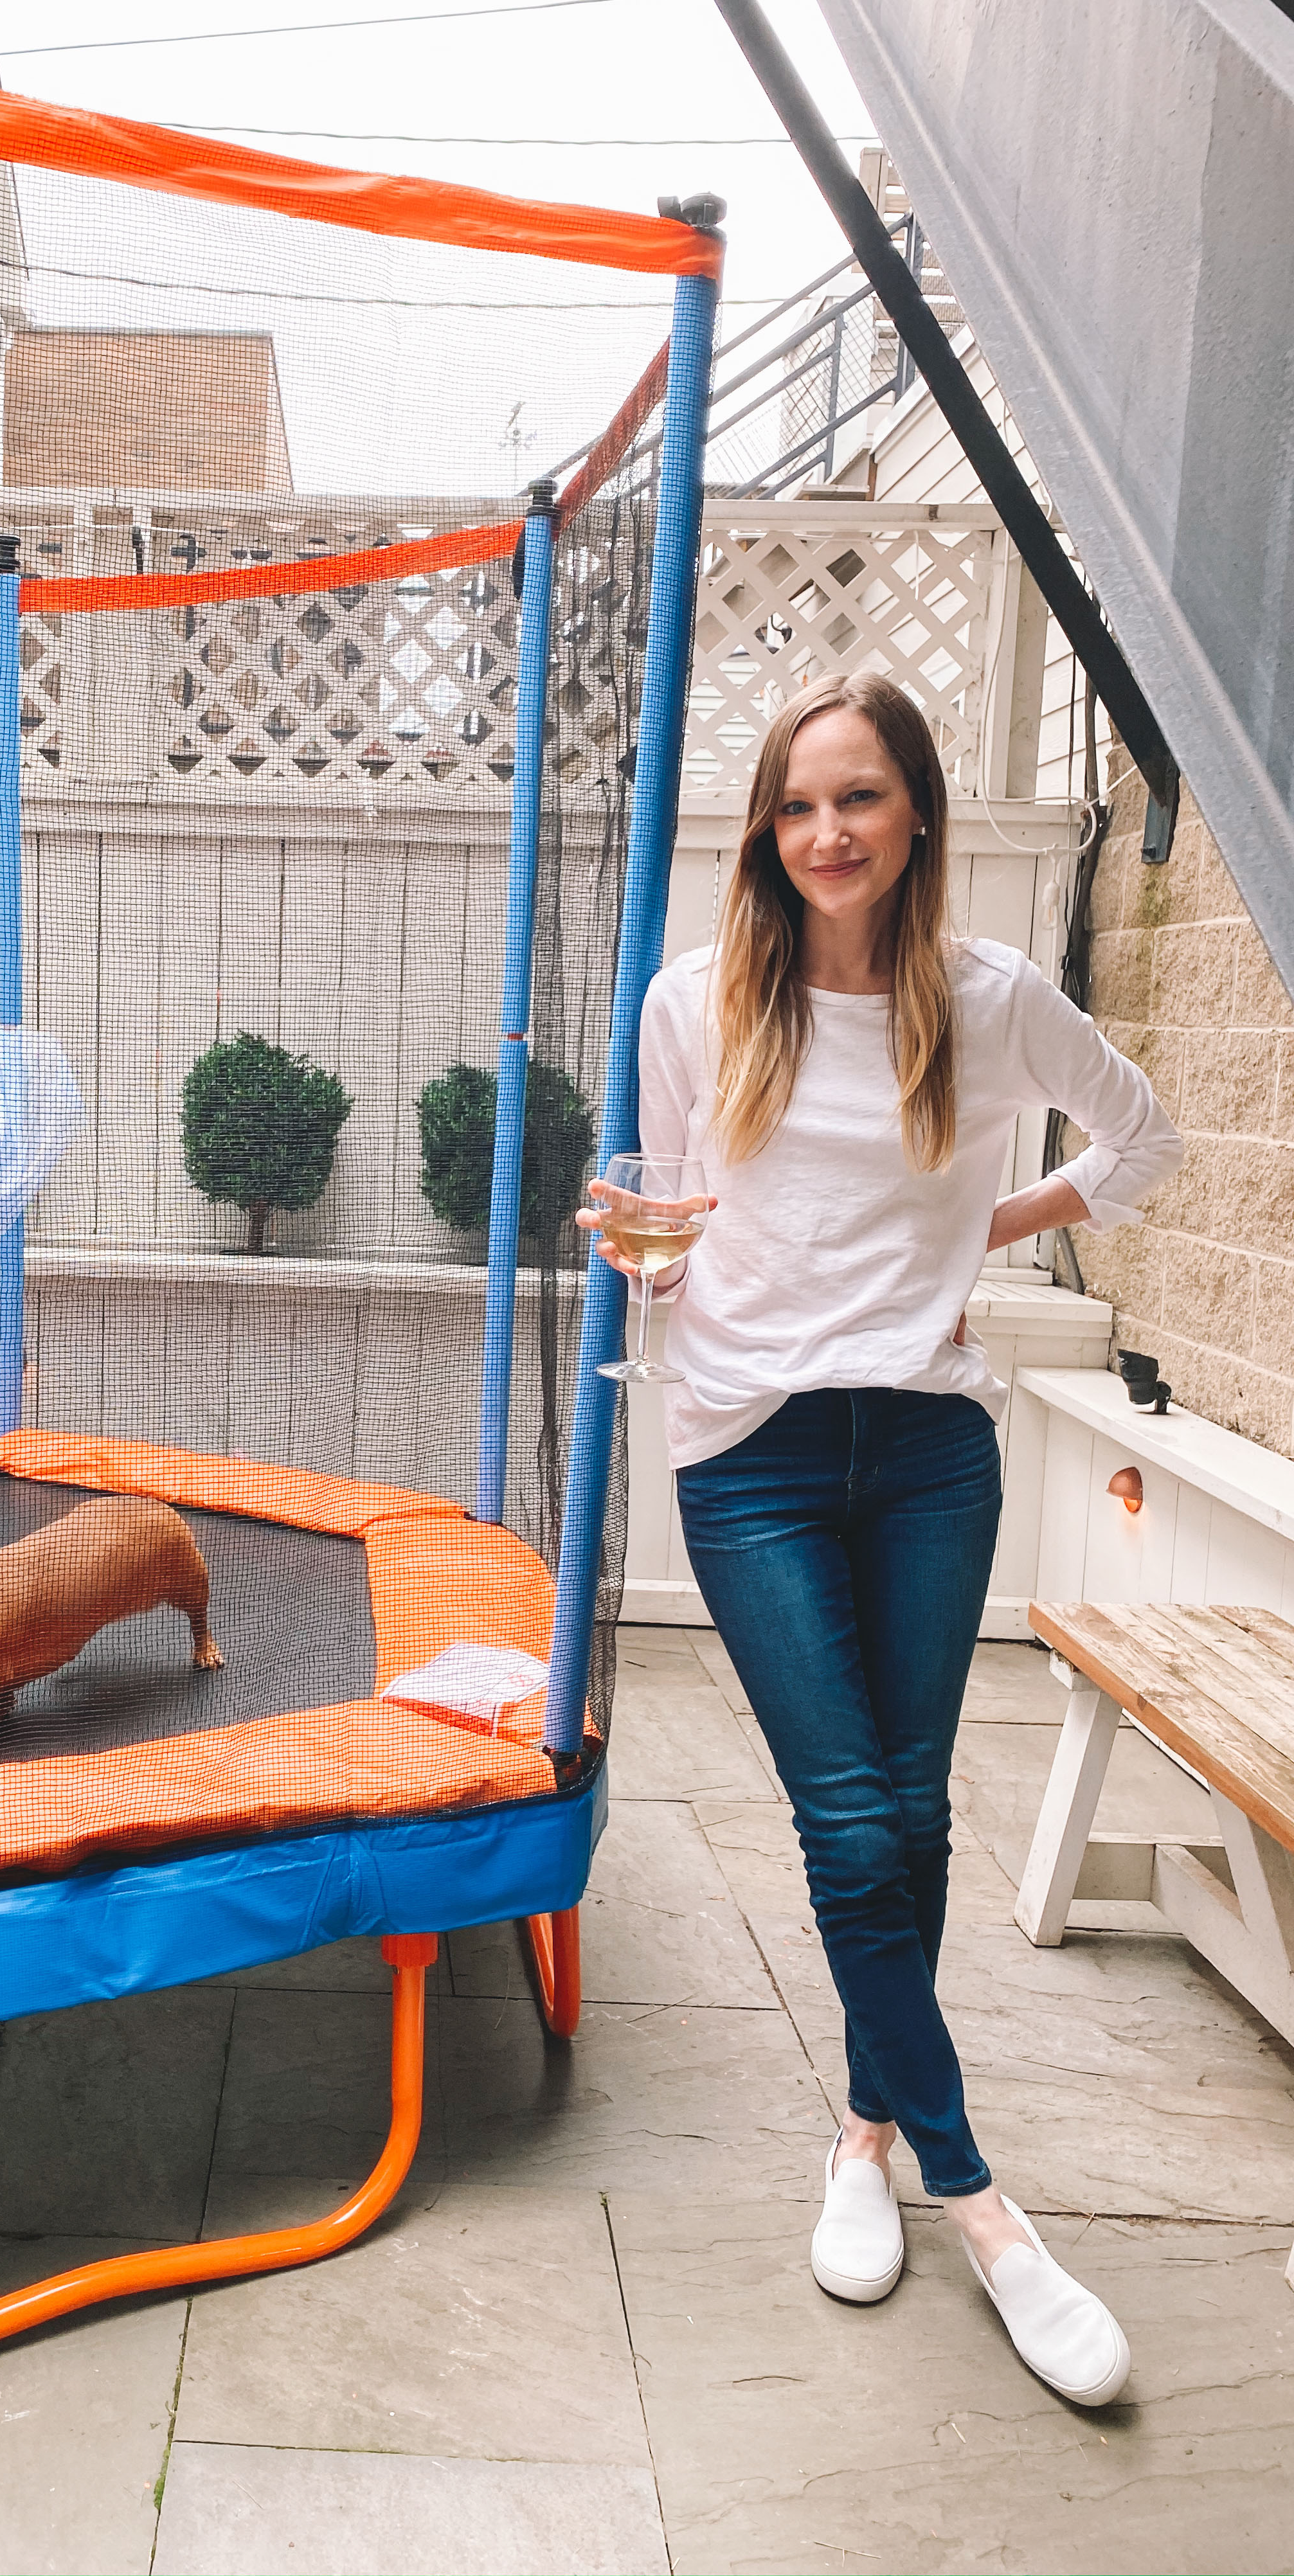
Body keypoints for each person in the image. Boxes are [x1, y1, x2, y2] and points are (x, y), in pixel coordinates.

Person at [582, 670, 1178, 2408]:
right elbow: (684, 1214)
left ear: (916, 812)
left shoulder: (990, 1000)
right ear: (765, 833)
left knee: (910, 1815)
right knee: (848, 1813)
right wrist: (656, 1251)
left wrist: (977, 1222)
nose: (824, 832)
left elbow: (1145, 1142)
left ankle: (863, 2138)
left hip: (929, 1446)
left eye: (856, 798)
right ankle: (983, 2203)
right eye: (794, 805)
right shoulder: (699, 1001)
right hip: (749, 1449)